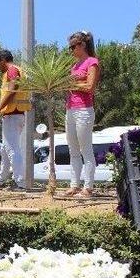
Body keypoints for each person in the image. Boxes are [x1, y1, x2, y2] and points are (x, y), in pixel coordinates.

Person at [63, 31, 100, 198]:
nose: (71, 50)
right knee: (73, 150)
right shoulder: (74, 66)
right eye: (69, 47)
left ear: (82, 45)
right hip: (70, 109)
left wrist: (74, 84)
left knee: (86, 149)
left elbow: (90, 87)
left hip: (84, 109)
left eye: (73, 46)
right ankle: (74, 185)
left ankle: (88, 187)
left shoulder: (92, 62)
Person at [0, 49, 31, 190]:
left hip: (13, 114)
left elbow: (12, 90)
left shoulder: (12, 70)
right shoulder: (19, 70)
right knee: (5, 150)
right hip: (16, 114)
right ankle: (0, 180)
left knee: (12, 149)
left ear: (3, 60)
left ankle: (20, 183)